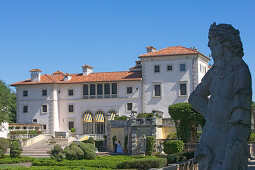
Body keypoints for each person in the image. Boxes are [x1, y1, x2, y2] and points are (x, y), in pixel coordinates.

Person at [189, 23, 252, 170]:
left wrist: (231, 158)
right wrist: (211, 114)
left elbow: (240, 123)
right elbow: (195, 97)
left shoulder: (241, 71)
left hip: (226, 148)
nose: (211, 51)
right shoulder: (216, 71)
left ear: (224, 44)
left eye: (212, 46)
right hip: (209, 146)